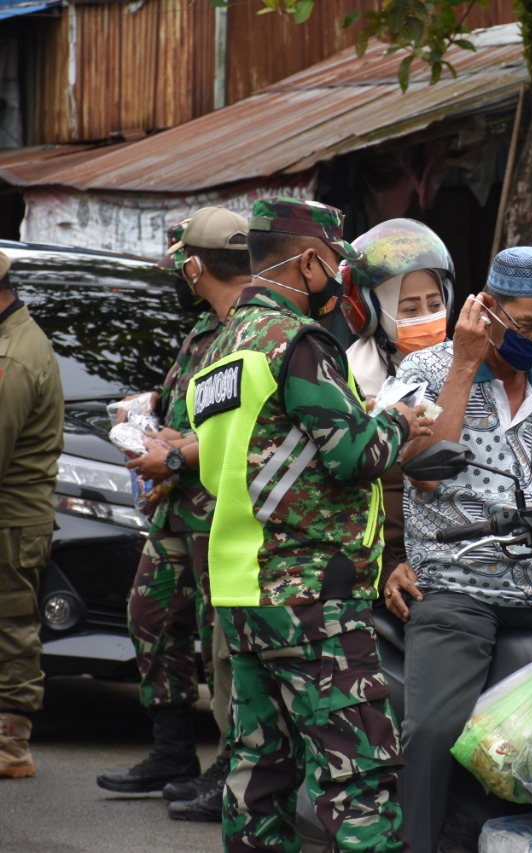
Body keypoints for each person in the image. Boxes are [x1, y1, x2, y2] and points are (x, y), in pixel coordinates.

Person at [186, 198, 431, 852]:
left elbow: (219, 470)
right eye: (335, 265)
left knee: (258, 778)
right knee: (358, 779)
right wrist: (400, 422)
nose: (338, 283)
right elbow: (356, 455)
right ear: (312, 261)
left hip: (241, 596)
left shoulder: (219, 348)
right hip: (310, 596)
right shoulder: (299, 342)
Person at [386, 246, 532, 853]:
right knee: (432, 730)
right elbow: (425, 472)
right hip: (458, 585)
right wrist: (464, 363)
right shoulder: (425, 372)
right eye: (528, 325)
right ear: (487, 310)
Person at [96, 207, 251, 824]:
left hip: (222, 514)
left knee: (228, 649)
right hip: (178, 511)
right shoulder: (201, 331)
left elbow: (243, 431)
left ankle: (234, 767)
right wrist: (148, 423)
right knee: (152, 613)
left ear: (195, 265)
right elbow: (190, 409)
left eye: (181, 265)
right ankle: (172, 751)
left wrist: (176, 456)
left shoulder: (249, 332)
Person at [342, 218, 455, 581]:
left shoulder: (465, 366)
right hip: (380, 559)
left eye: (434, 303)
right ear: (373, 312)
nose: (427, 317)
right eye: (409, 309)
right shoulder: (348, 379)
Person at [0, 249, 63, 779]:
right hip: (13, 517)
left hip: (11, 520)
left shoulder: (14, 356)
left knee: (11, 627)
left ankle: (10, 748)